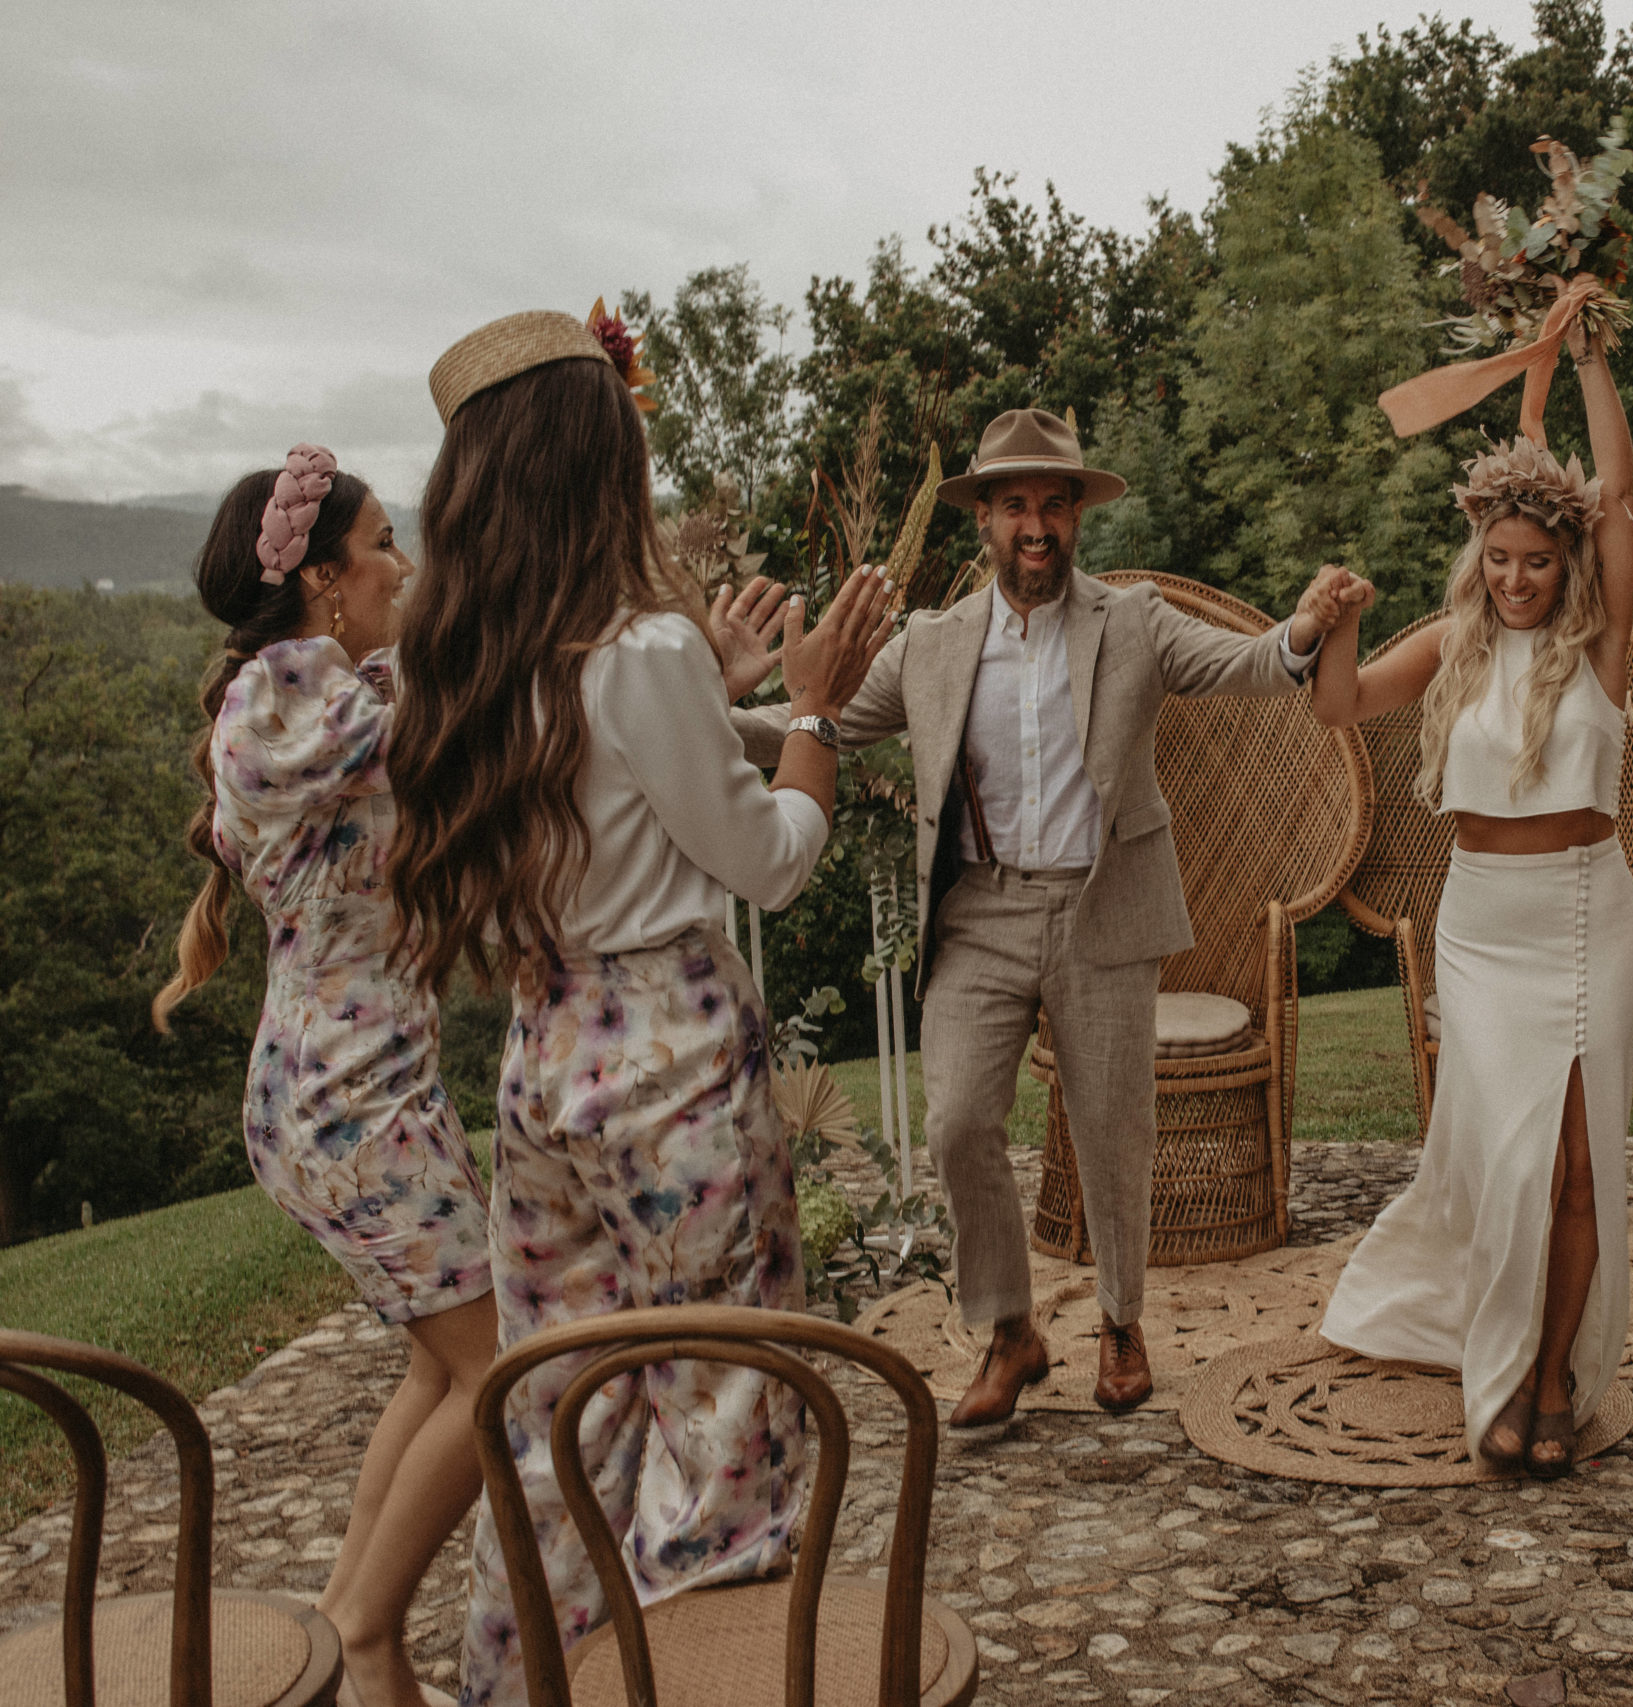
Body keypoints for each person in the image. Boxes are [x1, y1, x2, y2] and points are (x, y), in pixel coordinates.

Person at [383, 309, 893, 1707]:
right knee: (728, 1419)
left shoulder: (472, 661)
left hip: (545, 1070)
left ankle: (531, 1684)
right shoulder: (641, 650)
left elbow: (612, 787)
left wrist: (717, 687)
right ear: (593, 462)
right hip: (672, 1075)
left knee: (555, 1423)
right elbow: (776, 863)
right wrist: (817, 714)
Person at [738, 407, 1358, 1426]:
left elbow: (1245, 666)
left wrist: (1299, 629)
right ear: (981, 520)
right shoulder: (927, 646)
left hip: (1100, 903)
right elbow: (816, 725)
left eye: (1053, 505)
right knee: (956, 1122)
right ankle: (1009, 1331)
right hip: (978, 912)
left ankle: (1120, 1321)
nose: (1035, 524)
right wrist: (685, 718)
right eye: (1014, 504)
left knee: (1113, 1128)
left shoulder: (1135, 619)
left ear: (1077, 518)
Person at [153, 448, 494, 1707]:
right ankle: (364, 1634)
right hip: (349, 1107)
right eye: (386, 543)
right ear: (323, 582)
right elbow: (456, 707)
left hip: (354, 1092)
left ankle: (355, 1621)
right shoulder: (289, 702)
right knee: (497, 1365)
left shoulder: (322, 682)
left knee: (440, 1363)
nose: (404, 564)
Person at [1303, 327, 1633, 1479]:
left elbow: (1621, 496)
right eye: (1497, 557)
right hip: (1484, 930)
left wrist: (1588, 354)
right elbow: (1336, 706)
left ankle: (1546, 1383)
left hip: (1587, 921)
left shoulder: (1598, 645)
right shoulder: (1452, 643)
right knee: (1513, 1169)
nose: (1513, 579)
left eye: (1535, 561)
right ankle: (1494, 1359)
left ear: (1567, 564)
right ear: (1477, 554)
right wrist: (1341, 615)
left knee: (1581, 1170)